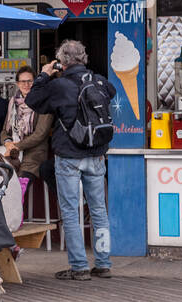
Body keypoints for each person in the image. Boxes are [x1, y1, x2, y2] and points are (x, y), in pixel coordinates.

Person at [25, 39, 115, 280]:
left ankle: (79, 267)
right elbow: (112, 92)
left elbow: (32, 100)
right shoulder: (99, 80)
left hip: (68, 155)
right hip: (96, 154)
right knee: (99, 210)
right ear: (84, 58)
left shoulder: (60, 85)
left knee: (71, 211)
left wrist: (44, 74)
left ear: (62, 61)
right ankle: (104, 263)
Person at [1, 65, 54, 180]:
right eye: (22, 81)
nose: (26, 85)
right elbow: (5, 131)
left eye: (30, 81)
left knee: (21, 184)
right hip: (13, 152)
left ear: (35, 82)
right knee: (2, 179)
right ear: (17, 84)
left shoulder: (44, 102)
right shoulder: (13, 103)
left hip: (34, 154)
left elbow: (40, 134)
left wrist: (16, 146)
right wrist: (7, 143)